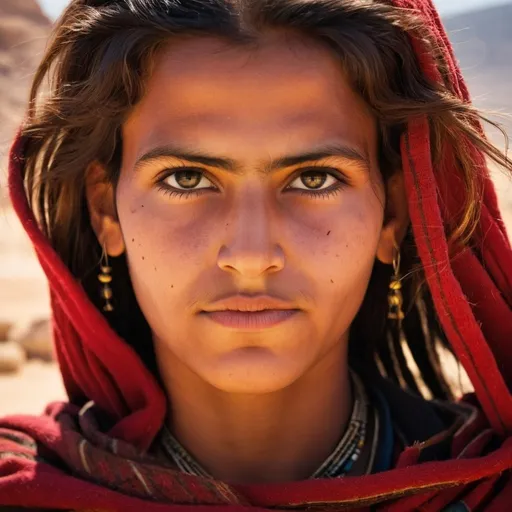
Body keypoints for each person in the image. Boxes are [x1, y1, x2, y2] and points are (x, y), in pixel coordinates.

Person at [1, 0, 512, 509]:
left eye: (315, 179)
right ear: (105, 211)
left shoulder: (489, 492)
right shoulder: (30, 493)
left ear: (395, 212)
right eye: (187, 179)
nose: (249, 256)